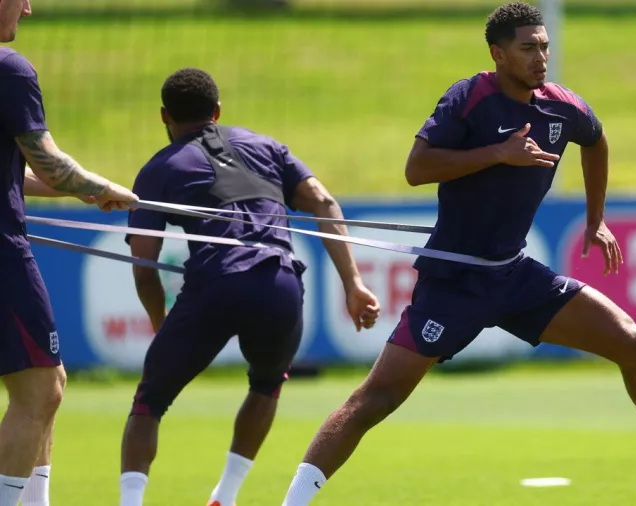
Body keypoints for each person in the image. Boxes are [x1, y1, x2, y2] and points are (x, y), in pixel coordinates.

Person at [280, 2, 636, 505]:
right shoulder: (468, 98)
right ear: (499, 55)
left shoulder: (561, 106)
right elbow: (417, 168)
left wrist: (596, 219)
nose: (541, 57)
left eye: (544, 45)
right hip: (453, 284)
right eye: (528, 48)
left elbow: (596, 140)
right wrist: (496, 154)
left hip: (514, 277)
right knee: (376, 400)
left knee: (632, 342)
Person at [118, 67, 381, 506]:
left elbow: (143, 266)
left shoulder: (158, 169)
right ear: (217, 112)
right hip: (278, 283)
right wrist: (353, 283)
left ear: (164, 116)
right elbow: (322, 201)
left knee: (150, 401)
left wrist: (160, 323)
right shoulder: (266, 147)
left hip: (214, 286)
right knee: (265, 385)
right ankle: (226, 495)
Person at [0, 1, 139, 505]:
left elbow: (25, 172)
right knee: (40, 389)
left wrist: (81, 190)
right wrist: (102, 185)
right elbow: (50, 161)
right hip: (3, 251)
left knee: (48, 382)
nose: (29, 9)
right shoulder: (9, 69)